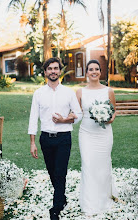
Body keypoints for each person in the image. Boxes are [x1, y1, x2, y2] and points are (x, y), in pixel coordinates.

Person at [28, 57, 82, 220]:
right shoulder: (38, 94)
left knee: (60, 172)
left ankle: (56, 208)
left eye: (56, 68)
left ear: (60, 71)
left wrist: (64, 120)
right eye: (50, 68)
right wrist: (32, 143)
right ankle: (62, 198)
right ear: (45, 72)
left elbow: (78, 114)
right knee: (52, 172)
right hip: (46, 139)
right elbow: (33, 118)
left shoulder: (68, 93)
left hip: (64, 138)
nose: (53, 71)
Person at [76, 60, 118, 215]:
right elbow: (77, 112)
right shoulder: (80, 92)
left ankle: (104, 197)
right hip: (86, 134)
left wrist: (110, 118)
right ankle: (89, 203)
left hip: (104, 134)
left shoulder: (109, 91)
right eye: (90, 69)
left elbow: (113, 111)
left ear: (100, 72)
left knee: (102, 165)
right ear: (86, 72)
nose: (94, 72)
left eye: (96, 69)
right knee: (88, 164)